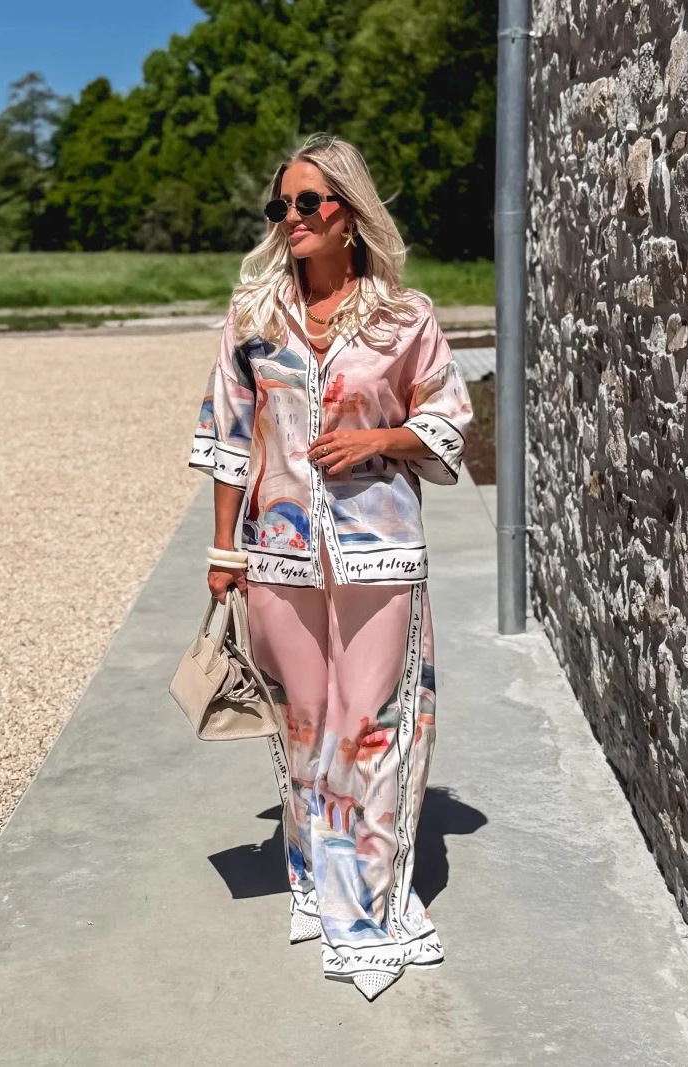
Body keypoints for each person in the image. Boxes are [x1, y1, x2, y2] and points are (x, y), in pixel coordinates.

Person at [187, 132, 473, 1001]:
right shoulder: (253, 316)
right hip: (276, 556)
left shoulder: (403, 316)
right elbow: (228, 438)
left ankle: (365, 909)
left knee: (373, 725)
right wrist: (223, 550)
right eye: (281, 205)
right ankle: (316, 874)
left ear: (349, 211)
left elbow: (448, 418)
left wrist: (378, 438)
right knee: (306, 727)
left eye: (308, 201)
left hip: (378, 551)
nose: (292, 217)